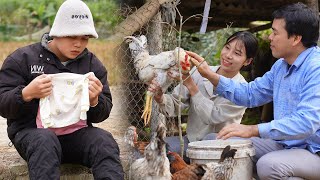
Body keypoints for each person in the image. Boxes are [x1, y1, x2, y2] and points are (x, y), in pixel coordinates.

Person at [189, 2, 320, 179]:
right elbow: (251, 94)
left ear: (296, 38)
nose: (270, 38)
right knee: (216, 141)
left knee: (269, 165)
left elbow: (307, 123)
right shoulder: (281, 66)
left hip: (313, 151)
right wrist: (209, 74)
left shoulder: (315, 68)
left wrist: (253, 129)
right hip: (284, 144)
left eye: (275, 32)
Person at [0, 0, 124, 179]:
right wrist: (26, 94)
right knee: (45, 140)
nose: (78, 44)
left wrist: (95, 101)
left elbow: (102, 113)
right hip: (32, 134)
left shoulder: (91, 64)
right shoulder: (23, 59)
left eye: (84, 38)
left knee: (104, 141)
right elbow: (2, 103)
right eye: (72, 36)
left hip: (75, 135)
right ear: (57, 33)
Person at [148, 31, 258, 161]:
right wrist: (160, 97)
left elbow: (212, 117)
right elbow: (175, 104)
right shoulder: (199, 71)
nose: (228, 55)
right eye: (227, 47)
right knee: (151, 152)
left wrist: (191, 85)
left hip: (219, 148)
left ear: (247, 61)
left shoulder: (243, 90)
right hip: (190, 142)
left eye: (237, 53)